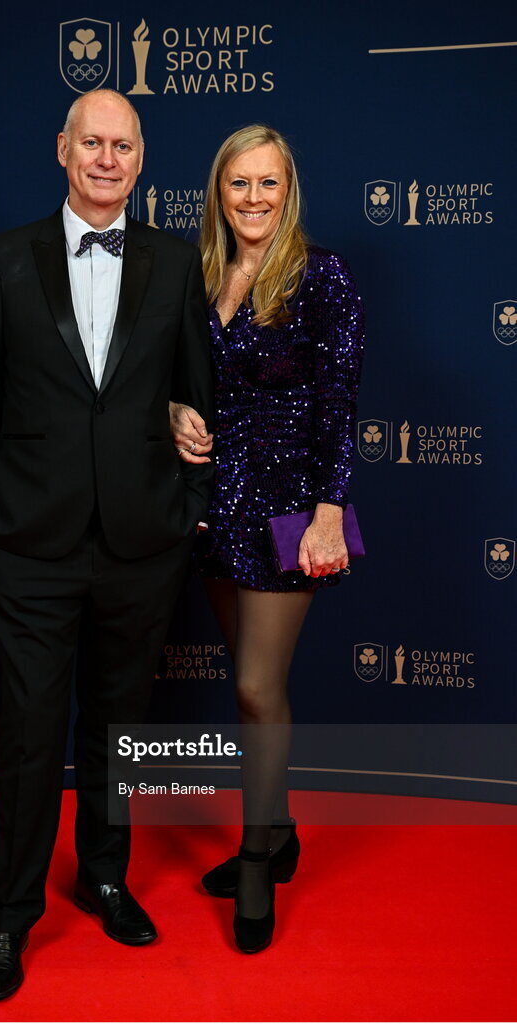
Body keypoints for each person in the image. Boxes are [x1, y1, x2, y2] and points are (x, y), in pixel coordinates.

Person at [0, 89, 214, 1000]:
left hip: (143, 541)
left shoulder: (178, 264)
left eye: (124, 146)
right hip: (30, 542)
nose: (108, 159)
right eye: (92, 142)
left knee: (118, 732)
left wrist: (191, 504)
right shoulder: (4, 260)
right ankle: (10, 917)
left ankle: (105, 875)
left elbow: (197, 395)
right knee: (28, 736)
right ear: (63, 150)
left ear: (142, 161)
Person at [171, 124, 364, 953]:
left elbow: (339, 402)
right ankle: (279, 831)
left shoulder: (323, 279)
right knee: (249, 685)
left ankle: (256, 857)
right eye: (238, 184)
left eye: (268, 184)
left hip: (289, 506)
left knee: (256, 687)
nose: (253, 199)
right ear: (219, 193)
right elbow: (176, 380)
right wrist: (173, 413)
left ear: (290, 192)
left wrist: (329, 510)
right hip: (216, 501)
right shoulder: (200, 273)